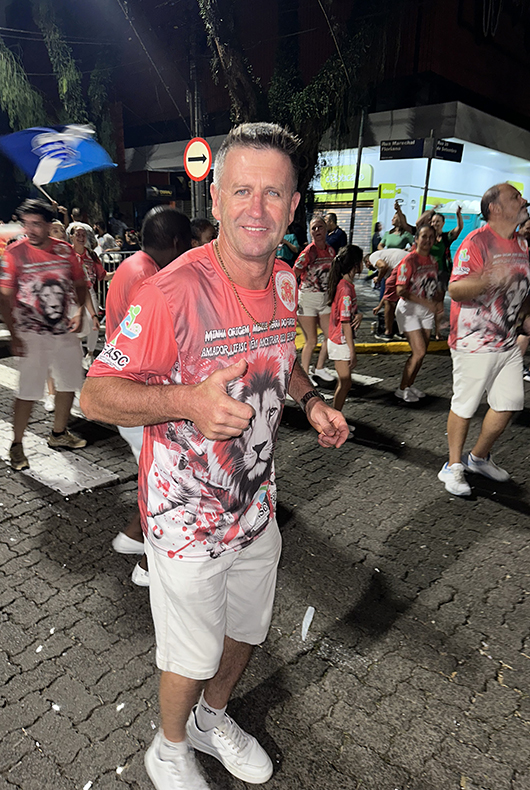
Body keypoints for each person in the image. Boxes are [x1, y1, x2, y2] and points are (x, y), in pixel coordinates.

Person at [81, 122, 348, 790]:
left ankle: (211, 719)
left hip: (255, 506)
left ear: (293, 206)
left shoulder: (285, 281)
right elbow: (95, 395)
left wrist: (312, 401)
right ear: (219, 200)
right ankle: (169, 748)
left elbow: (282, 359)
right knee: (192, 654)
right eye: (242, 191)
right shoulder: (172, 291)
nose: (257, 208)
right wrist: (187, 402)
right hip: (185, 519)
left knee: (249, 630)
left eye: (274, 193)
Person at [107, 206, 192, 588]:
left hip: (131, 392)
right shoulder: (150, 278)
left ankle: (132, 535)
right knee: (167, 483)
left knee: (153, 477)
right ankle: (149, 565)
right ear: (175, 242)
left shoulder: (134, 266)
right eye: (188, 245)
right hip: (138, 396)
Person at [438, 183, 530, 496]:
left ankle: (478, 458)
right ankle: (452, 466)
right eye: (515, 197)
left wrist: (525, 314)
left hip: (507, 341)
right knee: (465, 405)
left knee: (509, 403)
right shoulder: (476, 242)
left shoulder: (521, 244)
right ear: (495, 208)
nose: (524, 200)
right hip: (474, 341)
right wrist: (489, 278)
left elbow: (524, 288)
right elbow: (455, 289)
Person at [0, 199, 87, 470]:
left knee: (68, 382)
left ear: (49, 225)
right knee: (28, 390)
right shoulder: (14, 253)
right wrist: (14, 334)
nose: (30, 230)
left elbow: (80, 282)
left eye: (36, 224)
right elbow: (5, 296)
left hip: (63, 330)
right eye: (26, 224)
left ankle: (59, 433)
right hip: (31, 333)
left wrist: (79, 310)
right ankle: (17, 444)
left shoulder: (64, 250)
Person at [394, 225, 442, 402]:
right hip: (409, 310)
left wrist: (437, 303)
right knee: (419, 351)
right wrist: (425, 302)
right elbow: (400, 290)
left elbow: (433, 286)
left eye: (431, 237)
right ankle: (401, 389)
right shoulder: (409, 261)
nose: (427, 240)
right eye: (424, 236)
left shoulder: (433, 261)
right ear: (416, 239)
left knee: (422, 353)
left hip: (426, 311)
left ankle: (409, 385)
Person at [294, 215, 335, 383]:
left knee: (330, 337)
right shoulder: (308, 252)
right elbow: (293, 274)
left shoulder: (331, 251)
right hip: (308, 299)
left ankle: (319, 368)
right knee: (311, 340)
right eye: (314, 228)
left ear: (326, 229)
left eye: (320, 227)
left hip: (325, 299)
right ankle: (305, 375)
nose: (317, 230)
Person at [326, 245, 363, 411]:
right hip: (340, 342)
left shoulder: (344, 285)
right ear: (355, 265)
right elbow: (345, 322)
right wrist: (352, 351)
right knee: (345, 382)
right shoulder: (346, 289)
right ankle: (335, 417)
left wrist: (359, 315)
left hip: (338, 340)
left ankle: (336, 415)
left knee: (344, 383)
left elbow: (346, 313)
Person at [70, 224, 112, 369]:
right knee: (75, 325)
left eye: (84, 235)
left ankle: (90, 354)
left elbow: (102, 275)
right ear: (71, 237)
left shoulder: (91, 255)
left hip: (89, 292)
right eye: (78, 234)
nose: (81, 238)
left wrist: (120, 272)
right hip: (71, 294)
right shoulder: (66, 254)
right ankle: (79, 355)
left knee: (93, 323)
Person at [430, 208, 464, 339]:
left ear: (443, 223)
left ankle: (437, 331)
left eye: (438, 221)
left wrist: (458, 215)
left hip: (441, 273)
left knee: (438, 302)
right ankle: (426, 329)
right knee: (426, 302)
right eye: (433, 221)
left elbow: (459, 228)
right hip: (426, 274)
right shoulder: (427, 237)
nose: (435, 224)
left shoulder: (446, 237)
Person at [369, 248, 408, 340]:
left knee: (389, 303)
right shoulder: (390, 264)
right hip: (411, 264)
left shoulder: (372, 257)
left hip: (402, 264)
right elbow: (388, 293)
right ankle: (402, 332)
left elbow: (383, 266)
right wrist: (379, 307)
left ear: (367, 262)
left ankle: (388, 333)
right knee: (404, 298)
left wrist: (378, 279)